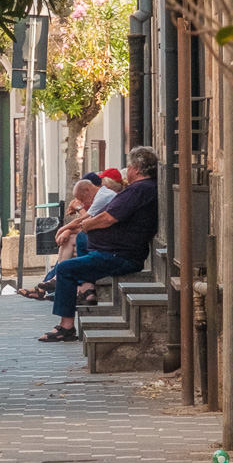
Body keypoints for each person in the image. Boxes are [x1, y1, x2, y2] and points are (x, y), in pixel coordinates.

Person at [37, 146, 158, 343]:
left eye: (129, 167)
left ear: (136, 168)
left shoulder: (139, 190)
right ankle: (85, 289)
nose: (126, 171)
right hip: (115, 252)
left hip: (120, 256)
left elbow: (108, 218)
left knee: (66, 269)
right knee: (77, 255)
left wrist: (87, 225)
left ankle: (66, 327)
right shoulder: (139, 189)